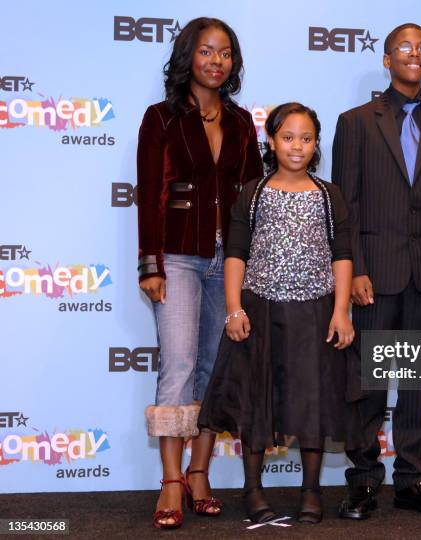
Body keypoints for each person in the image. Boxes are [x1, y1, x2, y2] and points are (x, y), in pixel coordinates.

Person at [198, 102, 363, 525]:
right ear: (271, 140)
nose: (297, 146)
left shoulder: (329, 195)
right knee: (256, 399)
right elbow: (236, 253)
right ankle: (253, 490)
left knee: (314, 400)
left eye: (306, 139)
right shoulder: (253, 192)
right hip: (259, 310)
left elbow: (342, 256)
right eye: (288, 137)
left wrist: (341, 311)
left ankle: (311, 491)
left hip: (315, 312)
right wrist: (233, 309)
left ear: (315, 145)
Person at [332, 23, 421, 519]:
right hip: (373, 272)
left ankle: (413, 481)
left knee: (414, 382)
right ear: (387, 59)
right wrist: (356, 269)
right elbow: (345, 205)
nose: (415, 54)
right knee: (367, 382)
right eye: (405, 48)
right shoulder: (356, 121)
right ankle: (364, 481)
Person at [137, 17, 263, 529]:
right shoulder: (160, 117)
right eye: (207, 51)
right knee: (181, 363)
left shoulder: (240, 123)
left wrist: (253, 263)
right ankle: (170, 481)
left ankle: (199, 472)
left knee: (215, 367)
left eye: (225, 52)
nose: (216, 60)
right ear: (188, 56)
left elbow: (254, 196)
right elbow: (149, 194)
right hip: (179, 257)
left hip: (229, 261)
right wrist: (152, 263)